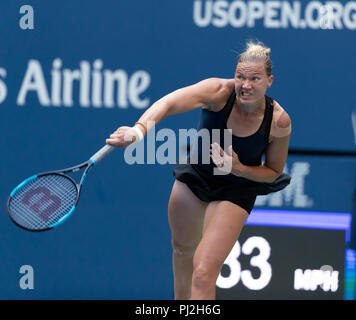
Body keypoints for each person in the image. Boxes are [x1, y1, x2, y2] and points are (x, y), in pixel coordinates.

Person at [106, 41, 292, 300]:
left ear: (269, 81)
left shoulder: (279, 121)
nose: (245, 85)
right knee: (182, 249)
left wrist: (238, 168)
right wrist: (139, 130)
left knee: (204, 271)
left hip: (236, 188)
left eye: (254, 78)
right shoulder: (217, 91)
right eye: (240, 77)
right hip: (197, 175)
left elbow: (273, 171)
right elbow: (168, 102)